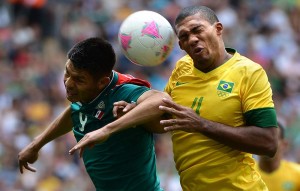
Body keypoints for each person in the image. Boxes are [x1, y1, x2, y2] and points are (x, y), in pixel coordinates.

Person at [68, 5, 279, 191]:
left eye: (197, 30)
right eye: (184, 37)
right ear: (180, 46)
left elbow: (268, 143)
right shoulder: (182, 68)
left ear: (218, 29)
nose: (192, 39)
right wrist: (135, 112)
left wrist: (202, 125)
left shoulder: (249, 72)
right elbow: (165, 123)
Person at [18, 37, 172, 191]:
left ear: (102, 83)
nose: (68, 83)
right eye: (67, 72)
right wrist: (36, 145)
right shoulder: (84, 95)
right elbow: (74, 111)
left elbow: (162, 99)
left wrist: (107, 130)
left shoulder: (123, 91)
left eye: (79, 79)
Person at [257, 122, 300, 191]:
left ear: (284, 145)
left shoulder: (298, 175)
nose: (266, 144)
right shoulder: (245, 173)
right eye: (263, 139)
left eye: (272, 139)